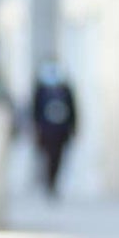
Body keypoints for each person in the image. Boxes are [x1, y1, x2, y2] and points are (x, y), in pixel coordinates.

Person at [30, 55, 77, 196]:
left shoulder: (65, 88)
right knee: (47, 156)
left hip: (61, 130)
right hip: (46, 129)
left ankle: (53, 183)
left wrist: (73, 127)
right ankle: (48, 182)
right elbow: (35, 109)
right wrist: (35, 127)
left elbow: (72, 108)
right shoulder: (41, 88)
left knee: (58, 157)